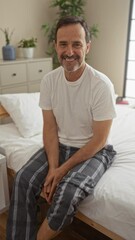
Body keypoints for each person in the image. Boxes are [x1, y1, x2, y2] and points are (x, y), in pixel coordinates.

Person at [6, 16, 116, 240]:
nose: (69, 51)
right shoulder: (49, 81)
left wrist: (60, 171)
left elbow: (99, 140)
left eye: (77, 44)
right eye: (63, 44)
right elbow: (49, 128)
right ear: (56, 46)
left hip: (94, 150)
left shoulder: (101, 84)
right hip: (60, 144)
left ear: (87, 46)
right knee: (22, 180)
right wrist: (53, 168)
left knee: (66, 193)